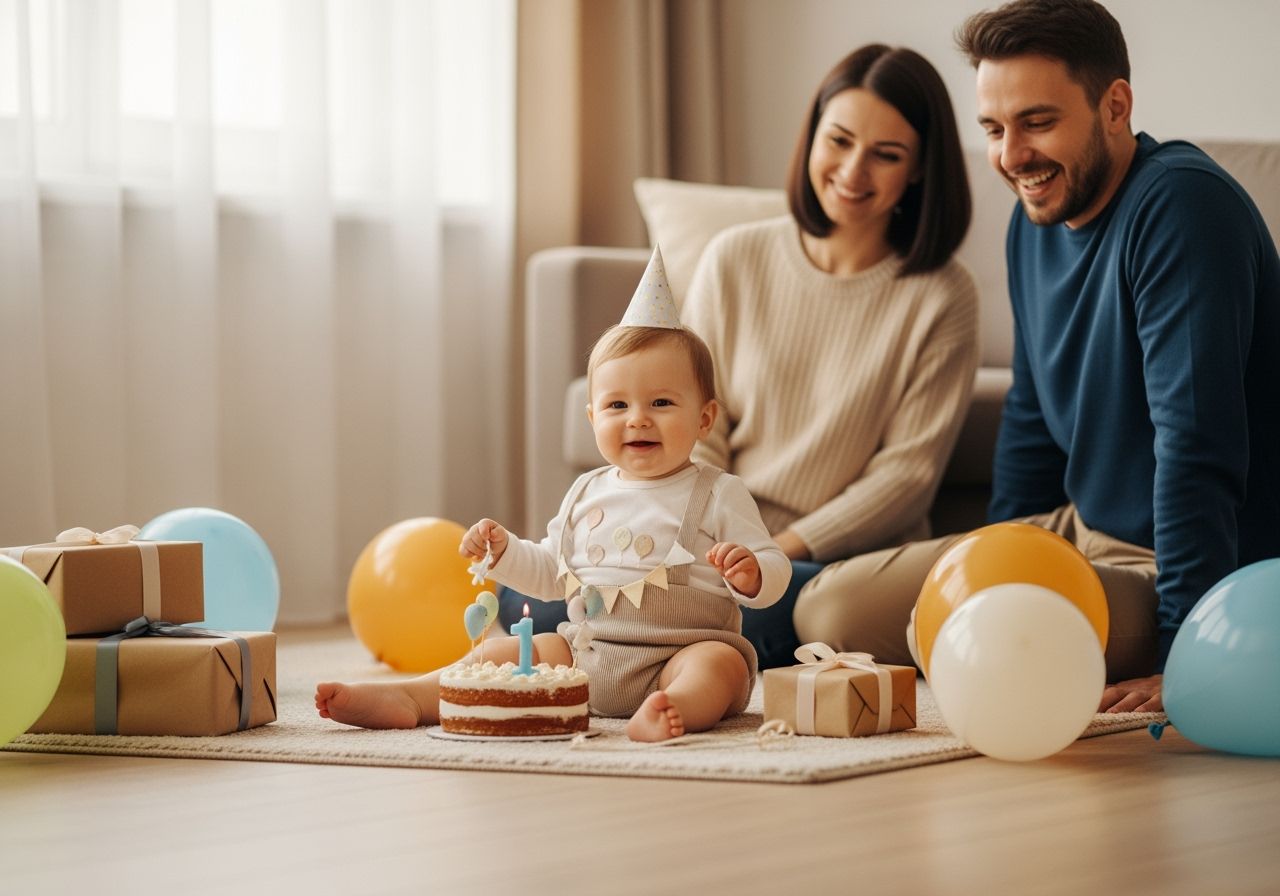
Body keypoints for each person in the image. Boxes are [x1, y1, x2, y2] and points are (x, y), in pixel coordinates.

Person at [796, 0, 1280, 713]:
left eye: (1038, 122)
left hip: (1189, 568)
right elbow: (1029, 415)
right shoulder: (1034, 224)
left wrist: (1189, 652)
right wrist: (992, 552)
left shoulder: (1180, 206)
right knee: (829, 610)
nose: (1011, 155)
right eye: (994, 128)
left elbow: (1196, 445)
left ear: (1115, 106)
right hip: (1080, 534)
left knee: (986, 638)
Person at [317, 270, 791, 742]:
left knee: (719, 666)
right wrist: (502, 553)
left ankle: (672, 709)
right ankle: (417, 696)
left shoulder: (717, 492)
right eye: (617, 406)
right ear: (592, 417)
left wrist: (753, 574)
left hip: (682, 653)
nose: (638, 419)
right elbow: (550, 571)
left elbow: (774, 564)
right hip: (583, 655)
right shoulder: (586, 493)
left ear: (704, 417)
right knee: (508, 652)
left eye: (662, 402)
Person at [680, 44, 980, 669]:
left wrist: (772, 553)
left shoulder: (943, 295)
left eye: (886, 155)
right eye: (838, 141)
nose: (853, 170)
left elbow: (906, 478)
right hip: (711, 542)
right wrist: (713, 538)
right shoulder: (734, 258)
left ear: (920, 170)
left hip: (830, 564)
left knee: (744, 618)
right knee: (540, 597)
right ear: (812, 136)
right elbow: (695, 421)